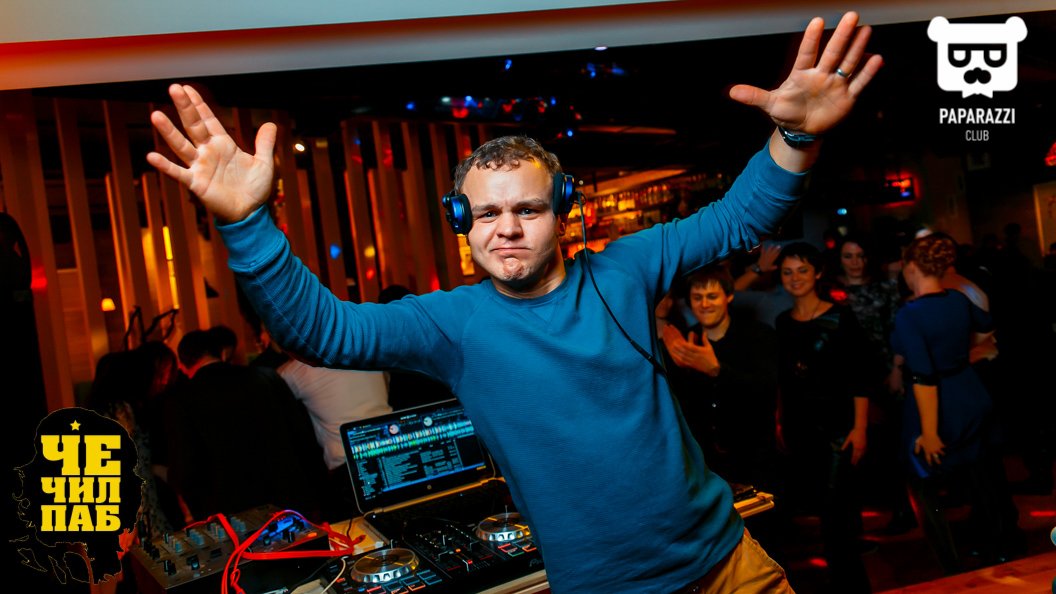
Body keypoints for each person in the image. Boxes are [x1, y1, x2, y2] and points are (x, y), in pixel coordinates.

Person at [147, 13, 880, 593]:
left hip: (728, 564)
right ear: (462, 226)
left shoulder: (625, 269)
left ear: (563, 212)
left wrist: (794, 136)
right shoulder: (452, 325)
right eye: (487, 214)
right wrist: (247, 223)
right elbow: (321, 330)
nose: (507, 228)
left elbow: (739, 219)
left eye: (527, 209)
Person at [893, 233, 1020, 573]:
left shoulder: (910, 314)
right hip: (969, 391)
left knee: (923, 482)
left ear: (911, 266)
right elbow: (987, 328)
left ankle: (949, 566)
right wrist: (963, 353)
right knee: (982, 473)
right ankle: (999, 546)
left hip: (937, 401)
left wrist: (929, 431)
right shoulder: (957, 299)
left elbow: (923, 376)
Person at [659, 264, 784, 559]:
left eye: (712, 296)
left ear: (728, 296)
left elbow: (767, 390)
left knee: (767, 547)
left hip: (755, 460)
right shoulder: (684, 342)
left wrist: (716, 370)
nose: (704, 304)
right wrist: (675, 369)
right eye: (697, 297)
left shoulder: (758, 335)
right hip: (709, 468)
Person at [773, 241, 873, 593]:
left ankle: (852, 587)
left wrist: (860, 428)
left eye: (802, 270)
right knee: (820, 512)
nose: (795, 278)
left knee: (836, 515)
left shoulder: (840, 317)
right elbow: (784, 381)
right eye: (787, 272)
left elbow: (860, 375)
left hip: (838, 428)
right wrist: (780, 422)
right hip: (801, 430)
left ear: (817, 273)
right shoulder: (782, 322)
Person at [164, 330, 328, 523]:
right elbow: (302, 436)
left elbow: (185, 466)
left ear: (183, 365)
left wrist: (200, 512)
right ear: (222, 353)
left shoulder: (183, 399)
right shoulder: (266, 377)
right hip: (287, 501)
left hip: (230, 513)